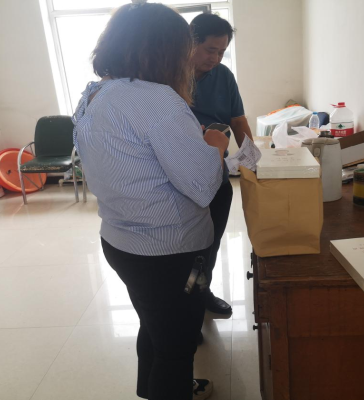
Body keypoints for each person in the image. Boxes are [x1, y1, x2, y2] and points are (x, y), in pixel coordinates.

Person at [72, 4, 228, 400]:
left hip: (122, 242)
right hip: (169, 251)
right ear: (164, 49)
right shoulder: (157, 100)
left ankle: (150, 388)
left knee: (155, 323)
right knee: (177, 346)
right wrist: (215, 144)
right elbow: (202, 185)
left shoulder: (96, 93)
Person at [189, 13, 253, 316]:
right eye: (210, 50)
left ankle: (202, 293)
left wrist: (252, 160)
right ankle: (183, 304)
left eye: (222, 51)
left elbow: (237, 120)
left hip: (216, 173)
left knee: (210, 243)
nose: (215, 58)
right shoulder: (167, 77)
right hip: (180, 177)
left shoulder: (223, 76)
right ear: (190, 43)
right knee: (184, 246)